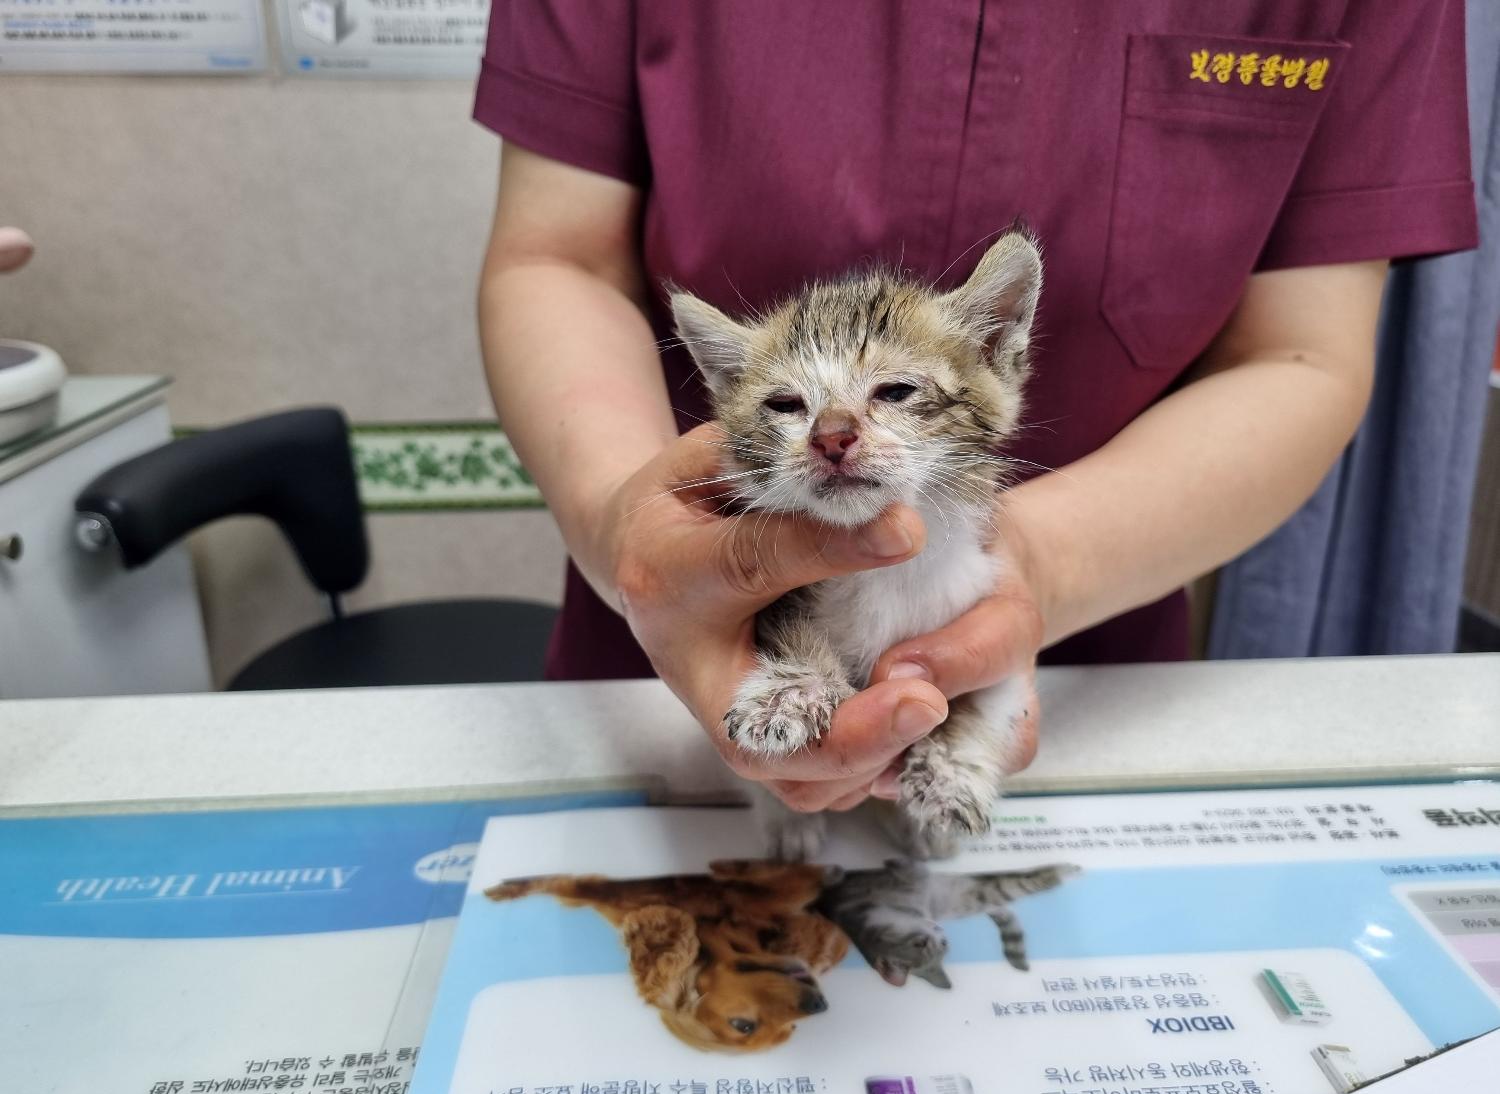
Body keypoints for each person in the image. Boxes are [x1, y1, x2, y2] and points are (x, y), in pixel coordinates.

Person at [472, 3, 1477, 815]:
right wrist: (629, 533)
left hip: (1088, 659)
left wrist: (1029, 573)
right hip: (674, 647)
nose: (838, 431)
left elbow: (1302, 354)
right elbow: (557, 257)